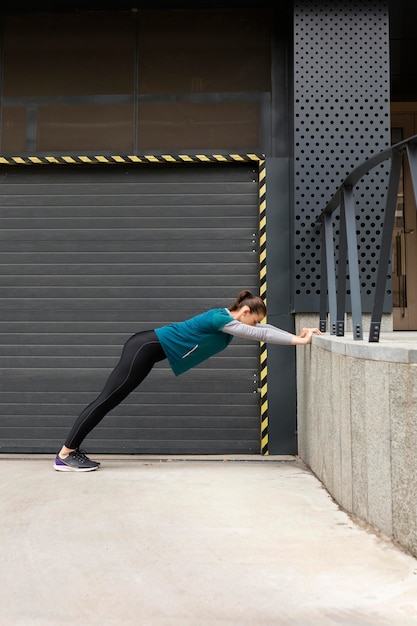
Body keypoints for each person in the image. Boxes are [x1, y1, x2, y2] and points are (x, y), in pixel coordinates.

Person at [54, 290, 322, 472]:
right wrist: (298, 341)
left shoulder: (226, 319)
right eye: (254, 319)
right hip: (143, 347)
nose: (255, 325)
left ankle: (71, 450)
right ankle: (65, 455)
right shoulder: (221, 319)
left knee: (109, 400)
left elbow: (264, 329)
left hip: (147, 350)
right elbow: (259, 335)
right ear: (244, 313)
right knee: (106, 400)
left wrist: (297, 335)